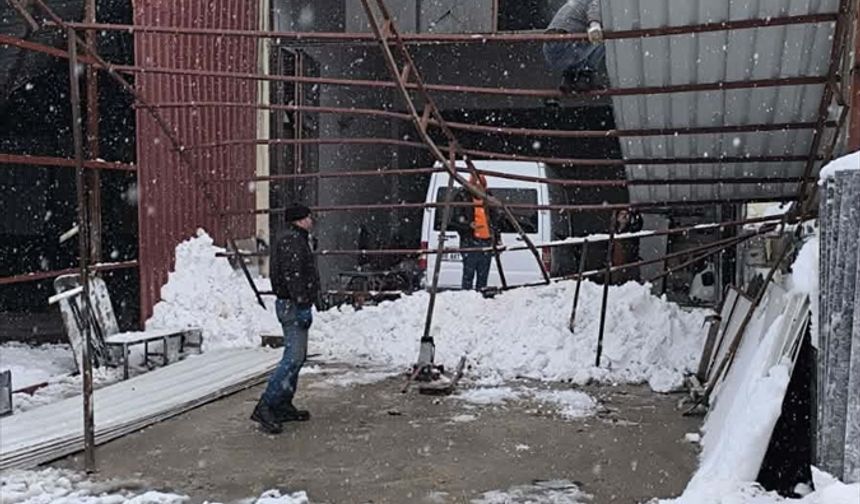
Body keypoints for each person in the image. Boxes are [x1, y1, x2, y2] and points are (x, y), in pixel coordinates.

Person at [251, 204, 320, 434]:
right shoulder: (292, 240)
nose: (311, 221)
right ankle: (266, 406)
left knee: (297, 358)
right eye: (309, 217)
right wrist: (302, 302)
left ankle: (282, 405)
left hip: (294, 303)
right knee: (292, 359)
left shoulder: (296, 238)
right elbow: (294, 275)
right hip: (292, 305)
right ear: (300, 220)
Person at [543, 0, 607, 93]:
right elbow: (594, 20)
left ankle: (569, 78)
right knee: (602, 37)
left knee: (583, 40)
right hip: (566, 45)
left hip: (551, 46)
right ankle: (586, 75)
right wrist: (595, 26)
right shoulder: (596, 2)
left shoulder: (576, 2)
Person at [451, 174, 501, 291]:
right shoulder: (463, 197)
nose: (479, 188)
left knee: (483, 275)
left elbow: (495, 221)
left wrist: (497, 238)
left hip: (487, 242)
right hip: (470, 241)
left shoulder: (489, 198)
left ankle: (480, 296)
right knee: (468, 274)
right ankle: (467, 297)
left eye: (481, 186)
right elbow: (455, 220)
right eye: (476, 185)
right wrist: (468, 225)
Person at [610, 209, 644, 284]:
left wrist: (636, 213)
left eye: (627, 214)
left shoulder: (631, 230)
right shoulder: (613, 231)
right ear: (617, 217)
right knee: (616, 285)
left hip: (630, 263)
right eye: (622, 214)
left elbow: (639, 224)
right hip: (616, 264)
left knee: (632, 285)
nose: (625, 216)